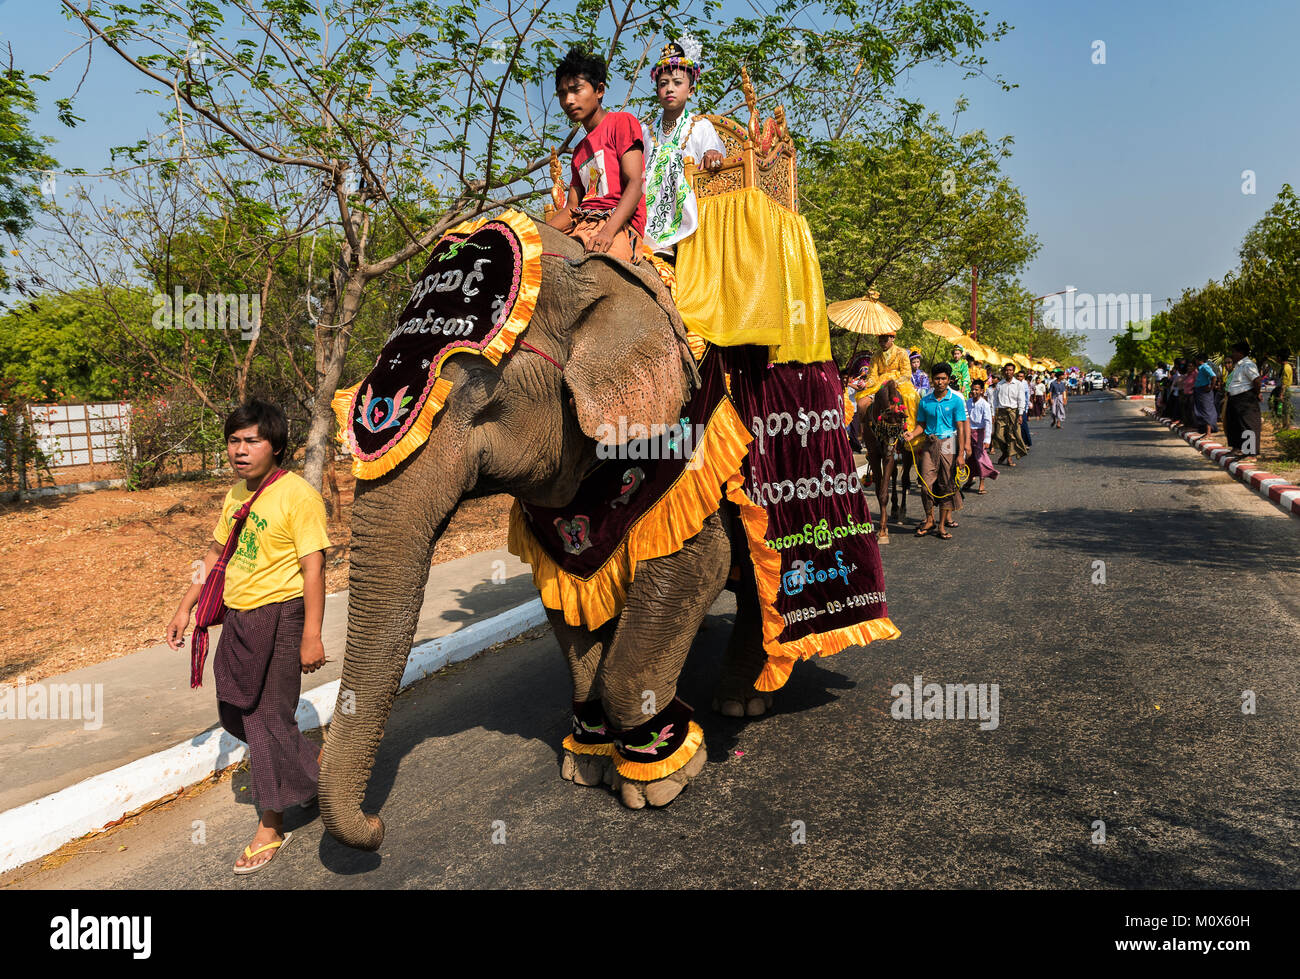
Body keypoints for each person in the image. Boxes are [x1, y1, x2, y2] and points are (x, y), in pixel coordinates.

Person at [167, 401, 330, 874]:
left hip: (282, 618)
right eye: (234, 440)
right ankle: (312, 768)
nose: (240, 449)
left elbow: (313, 568)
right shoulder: (237, 493)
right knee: (235, 708)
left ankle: (270, 824)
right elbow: (216, 551)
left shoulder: (298, 495)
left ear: (275, 446)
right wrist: (186, 605)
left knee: (266, 719)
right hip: (239, 620)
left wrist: (312, 635)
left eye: (252, 440)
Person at [548, 49, 648, 263]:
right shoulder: (579, 151)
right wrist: (534, 231)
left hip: (620, 225)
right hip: (582, 225)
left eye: (576, 90)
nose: (568, 100)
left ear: (599, 90)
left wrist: (607, 232)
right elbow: (571, 209)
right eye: (562, 94)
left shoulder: (622, 122)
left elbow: (635, 184)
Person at [640, 40, 726, 260]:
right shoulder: (644, 132)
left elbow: (714, 152)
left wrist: (712, 155)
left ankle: (671, 241)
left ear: (690, 90)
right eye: (663, 83)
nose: (669, 88)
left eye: (677, 82)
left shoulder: (700, 127)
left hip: (688, 209)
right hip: (643, 212)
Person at [905, 362, 968, 539]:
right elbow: (921, 425)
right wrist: (912, 434)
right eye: (937, 378)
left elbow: (961, 428)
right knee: (925, 485)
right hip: (930, 443)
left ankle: (941, 526)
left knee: (946, 485)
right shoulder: (925, 400)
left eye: (943, 378)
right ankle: (929, 519)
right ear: (932, 380)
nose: (940, 382)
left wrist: (961, 454)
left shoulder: (956, 400)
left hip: (949, 443)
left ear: (948, 380)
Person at [857, 330, 920, 436]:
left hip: (900, 383)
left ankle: (911, 430)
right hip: (880, 384)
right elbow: (872, 376)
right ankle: (866, 434)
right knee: (861, 404)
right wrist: (866, 384)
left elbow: (906, 374)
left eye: (885, 340)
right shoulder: (876, 355)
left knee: (911, 397)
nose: (882, 343)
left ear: (892, 338)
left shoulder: (902, 352)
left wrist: (894, 383)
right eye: (880, 341)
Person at [1223, 341, 1262, 456]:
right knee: (1234, 425)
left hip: (1245, 398)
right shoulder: (1238, 366)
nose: (1232, 354)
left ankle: (1250, 454)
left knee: (1248, 425)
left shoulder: (1248, 364)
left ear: (1241, 353)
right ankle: (1237, 448)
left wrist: (1255, 393)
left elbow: (1257, 380)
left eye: (1234, 352)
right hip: (1234, 399)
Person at [990, 362, 1028, 465]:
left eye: (1010, 370)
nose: (1008, 372)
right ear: (1004, 371)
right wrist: (993, 414)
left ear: (1013, 371)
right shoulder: (999, 385)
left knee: (1012, 435)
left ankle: (1009, 457)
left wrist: (1020, 414)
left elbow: (1021, 400)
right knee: (998, 435)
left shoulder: (1018, 384)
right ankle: (1005, 453)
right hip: (1001, 412)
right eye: (1006, 370)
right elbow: (995, 401)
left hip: (1013, 412)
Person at [964, 378, 999, 493]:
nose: (974, 392)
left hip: (980, 433)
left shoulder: (985, 404)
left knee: (980, 458)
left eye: (977, 390)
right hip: (969, 432)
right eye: (973, 389)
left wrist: (987, 439)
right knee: (969, 457)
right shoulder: (968, 402)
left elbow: (988, 422)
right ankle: (970, 479)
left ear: (982, 391)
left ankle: (982, 482)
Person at [1189, 351, 1218, 437]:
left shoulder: (1205, 367)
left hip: (1204, 391)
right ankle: (1204, 430)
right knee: (1200, 410)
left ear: (1199, 360)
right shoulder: (1200, 368)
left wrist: (1211, 387)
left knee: (1206, 410)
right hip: (1199, 390)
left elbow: (1213, 376)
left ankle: (1209, 432)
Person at [1015, 370, 1033, 448]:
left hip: (1023, 407)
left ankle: (1026, 442)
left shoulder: (1025, 384)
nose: (1019, 378)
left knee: (1023, 425)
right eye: (1018, 376)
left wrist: (1027, 406)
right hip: (1014, 406)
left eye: (1021, 376)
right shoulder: (1014, 383)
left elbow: (1027, 396)